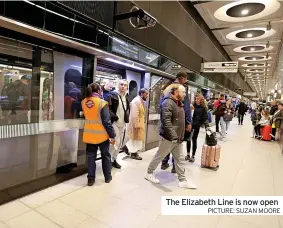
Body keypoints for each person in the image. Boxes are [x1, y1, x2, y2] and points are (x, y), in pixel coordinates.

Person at [145, 84, 196, 189]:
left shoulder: (178, 103)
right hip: (169, 138)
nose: (184, 94)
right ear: (176, 92)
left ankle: (182, 180)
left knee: (180, 159)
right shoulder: (167, 102)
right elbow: (166, 121)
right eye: (183, 92)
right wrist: (173, 136)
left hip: (177, 138)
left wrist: (179, 137)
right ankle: (149, 173)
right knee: (160, 156)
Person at [81, 83, 116, 186]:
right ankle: (107, 177)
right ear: (99, 91)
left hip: (89, 135)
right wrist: (112, 135)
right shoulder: (102, 103)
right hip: (102, 136)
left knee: (91, 157)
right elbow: (106, 122)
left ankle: (90, 179)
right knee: (105, 156)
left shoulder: (83, 102)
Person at [160, 72, 192, 173]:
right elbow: (186, 106)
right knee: (176, 142)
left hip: (168, 118)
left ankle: (164, 162)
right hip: (178, 118)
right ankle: (174, 166)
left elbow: (162, 104)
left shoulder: (167, 87)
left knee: (167, 139)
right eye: (185, 79)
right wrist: (188, 121)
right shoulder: (181, 88)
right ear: (182, 79)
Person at [106, 79, 130, 169]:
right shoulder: (112, 95)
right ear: (118, 85)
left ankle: (114, 159)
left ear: (127, 87)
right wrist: (114, 117)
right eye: (121, 84)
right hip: (114, 123)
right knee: (114, 142)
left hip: (122, 123)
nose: (123, 86)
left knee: (120, 143)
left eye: (125, 85)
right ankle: (108, 160)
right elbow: (108, 108)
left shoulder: (126, 97)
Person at [125, 88, 148, 160]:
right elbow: (134, 115)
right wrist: (137, 125)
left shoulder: (140, 101)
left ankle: (131, 151)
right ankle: (133, 154)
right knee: (134, 139)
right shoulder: (136, 101)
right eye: (146, 94)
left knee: (136, 139)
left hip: (139, 123)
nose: (147, 96)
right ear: (141, 94)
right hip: (135, 124)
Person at [185, 94, 209, 163]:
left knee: (194, 140)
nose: (196, 100)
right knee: (188, 139)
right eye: (196, 99)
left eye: (198, 99)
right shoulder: (193, 105)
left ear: (201, 99)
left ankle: (193, 156)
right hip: (190, 125)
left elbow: (205, 118)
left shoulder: (203, 107)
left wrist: (201, 124)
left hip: (196, 126)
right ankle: (188, 154)